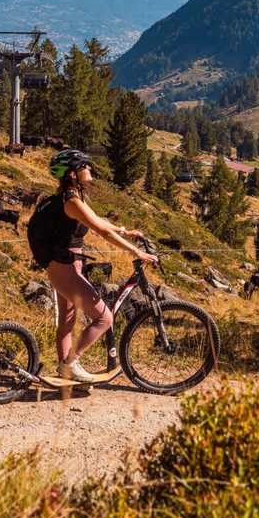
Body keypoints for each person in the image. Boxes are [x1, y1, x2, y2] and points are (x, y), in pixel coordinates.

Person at [45, 148, 158, 383]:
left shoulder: (74, 197)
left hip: (65, 265)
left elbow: (98, 220)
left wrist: (126, 231)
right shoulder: (72, 201)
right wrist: (135, 251)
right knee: (104, 319)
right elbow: (101, 231)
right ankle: (70, 364)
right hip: (65, 268)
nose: (89, 169)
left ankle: (65, 370)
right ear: (73, 174)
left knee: (67, 322)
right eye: (84, 166)